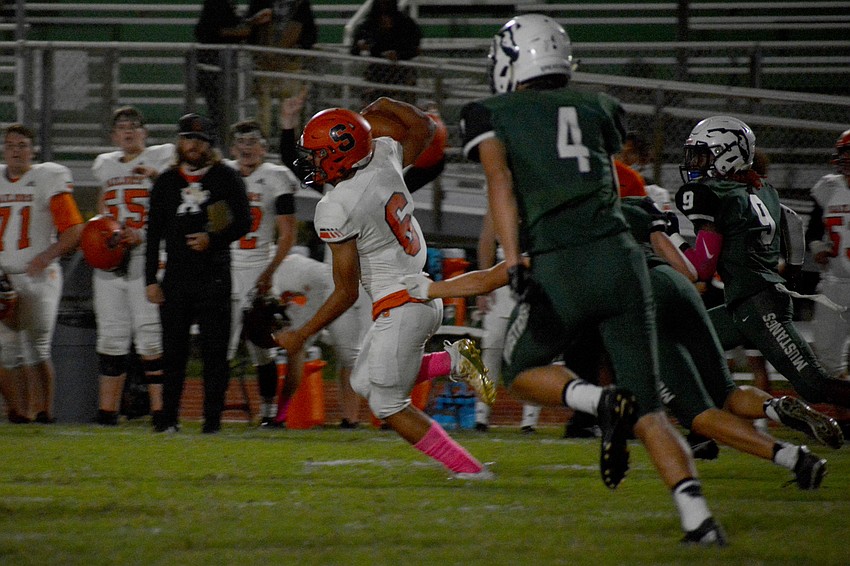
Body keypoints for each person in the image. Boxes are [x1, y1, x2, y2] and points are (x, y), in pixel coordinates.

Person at [460, 15, 725, 544]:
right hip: (624, 263)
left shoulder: (491, 112)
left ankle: (598, 403)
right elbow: (594, 168)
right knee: (650, 408)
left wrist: (513, 262)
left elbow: (500, 183)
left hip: (564, 261)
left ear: (517, 59)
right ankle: (699, 520)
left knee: (518, 369)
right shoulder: (600, 106)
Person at [402, 194, 839, 490]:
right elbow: (690, 273)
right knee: (723, 390)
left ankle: (790, 462)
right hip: (679, 288)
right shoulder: (632, 207)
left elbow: (518, 276)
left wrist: (430, 289)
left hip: (634, 298)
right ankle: (773, 406)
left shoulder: (564, 223)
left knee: (695, 413)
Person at [273, 97, 493, 478]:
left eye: (315, 154)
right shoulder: (383, 155)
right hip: (418, 292)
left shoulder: (337, 206)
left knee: (389, 405)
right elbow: (423, 128)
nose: (308, 162)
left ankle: (469, 469)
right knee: (362, 380)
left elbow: (346, 292)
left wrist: (303, 334)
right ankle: (457, 360)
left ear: (338, 157)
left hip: (402, 305)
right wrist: (386, 104)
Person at [673, 116, 850, 412]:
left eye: (702, 154)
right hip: (747, 303)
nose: (695, 163)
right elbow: (792, 222)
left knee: (814, 385)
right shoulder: (760, 188)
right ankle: (707, 422)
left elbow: (702, 267)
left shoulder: (713, 193)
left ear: (726, 154)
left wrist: (670, 237)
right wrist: (792, 274)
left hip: (758, 306)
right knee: (685, 341)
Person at [145, 113, 251, 434]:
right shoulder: (165, 181)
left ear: (210, 145)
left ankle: (212, 421)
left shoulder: (227, 177)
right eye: (188, 138)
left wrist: (212, 239)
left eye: (200, 140)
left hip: (214, 276)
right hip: (176, 277)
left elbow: (244, 223)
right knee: (173, 352)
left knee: (215, 353)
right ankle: (168, 418)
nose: (193, 145)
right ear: (179, 142)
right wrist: (150, 279)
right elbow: (152, 235)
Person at [90, 106, 174, 428]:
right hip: (113, 257)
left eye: (134, 126)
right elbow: (102, 206)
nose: (128, 132)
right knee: (111, 337)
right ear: (113, 135)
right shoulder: (106, 165)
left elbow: (175, 200)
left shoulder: (162, 159)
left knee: (150, 337)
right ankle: (107, 412)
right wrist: (99, 239)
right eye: (122, 127)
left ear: (145, 132)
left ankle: (160, 412)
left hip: (148, 254)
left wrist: (147, 234)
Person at [0, 124, 84, 423]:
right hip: (4, 275)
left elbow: (74, 229)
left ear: (32, 149)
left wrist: (46, 255)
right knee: (8, 352)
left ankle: (44, 411)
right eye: (10, 144)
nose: (15, 150)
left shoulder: (47, 177)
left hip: (37, 274)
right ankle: (18, 413)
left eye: (22, 144)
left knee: (35, 347)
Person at [222, 119, 299, 427]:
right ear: (231, 149)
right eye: (241, 142)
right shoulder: (223, 175)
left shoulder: (276, 177)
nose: (247, 148)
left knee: (261, 349)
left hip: (259, 268)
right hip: (226, 268)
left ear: (264, 148)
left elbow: (288, 234)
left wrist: (270, 271)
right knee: (221, 344)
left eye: (253, 142)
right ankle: (212, 410)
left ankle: (270, 412)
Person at [473, 214, 541, 434]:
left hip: (535, 272)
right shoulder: (499, 195)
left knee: (535, 349)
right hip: (504, 272)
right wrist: (485, 286)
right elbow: (487, 240)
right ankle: (481, 415)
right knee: (492, 346)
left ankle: (530, 419)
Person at [194, 0, 271, 146]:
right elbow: (211, 31)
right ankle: (219, 146)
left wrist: (251, 23)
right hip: (214, 67)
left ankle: (220, 145)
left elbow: (232, 26)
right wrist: (249, 27)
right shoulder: (217, 4)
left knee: (221, 112)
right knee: (218, 112)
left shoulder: (227, 5)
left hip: (219, 68)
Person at [805, 128, 850, 380]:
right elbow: (812, 231)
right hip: (835, 283)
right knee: (828, 357)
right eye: (846, 152)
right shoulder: (828, 187)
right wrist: (819, 250)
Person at [246, 0, 317, 140]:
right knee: (263, 112)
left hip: (290, 64)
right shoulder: (260, 4)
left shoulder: (300, 5)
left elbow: (309, 33)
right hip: (264, 63)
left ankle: (290, 146)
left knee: (291, 110)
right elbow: (247, 27)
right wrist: (256, 21)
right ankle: (262, 145)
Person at [349, 0, 421, 105]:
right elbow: (355, 48)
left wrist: (398, 55)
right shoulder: (370, 24)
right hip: (376, 72)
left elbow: (415, 48)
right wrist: (361, 45)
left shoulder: (405, 23)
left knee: (401, 105)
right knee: (371, 104)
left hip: (400, 72)